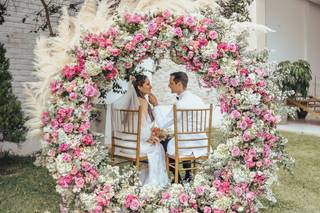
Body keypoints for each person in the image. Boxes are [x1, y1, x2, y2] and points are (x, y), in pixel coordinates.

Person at [149, 71, 208, 183]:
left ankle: (177, 178)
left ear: (179, 84)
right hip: (201, 143)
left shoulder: (180, 104)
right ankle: (188, 174)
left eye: (171, 83)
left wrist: (156, 105)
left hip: (185, 145)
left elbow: (162, 124)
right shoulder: (198, 100)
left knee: (162, 144)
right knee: (179, 139)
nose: (168, 85)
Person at [111, 74, 169, 187]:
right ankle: (153, 183)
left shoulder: (129, 101)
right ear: (139, 87)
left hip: (124, 144)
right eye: (147, 84)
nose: (150, 86)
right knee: (159, 147)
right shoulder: (141, 102)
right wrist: (149, 137)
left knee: (156, 145)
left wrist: (150, 135)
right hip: (135, 147)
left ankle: (142, 179)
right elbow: (141, 127)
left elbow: (134, 126)